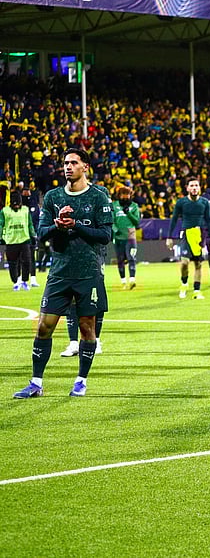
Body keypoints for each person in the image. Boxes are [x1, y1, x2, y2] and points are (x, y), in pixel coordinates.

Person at [14, 148, 113, 399]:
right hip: (59, 272)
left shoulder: (99, 197)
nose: (68, 167)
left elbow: (105, 235)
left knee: (87, 329)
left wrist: (76, 226)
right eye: (65, 163)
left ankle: (81, 381)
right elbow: (41, 232)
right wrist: (57, 225)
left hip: (88, 272)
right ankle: (36, 383)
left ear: (85, 167)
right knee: (44, 327)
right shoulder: (53, 196)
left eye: (73, 163)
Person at [167, 178, 210, 299]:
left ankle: (197, 291)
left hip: (199, 235)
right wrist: (169, 237)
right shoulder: (181, 202)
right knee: (184, 262)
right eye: (192, 186)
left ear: (200, 188)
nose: (194, 188)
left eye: (196, 185)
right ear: (187, 188)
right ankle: (184, 283)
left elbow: (209, 220)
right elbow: (173, 219)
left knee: (198, 264)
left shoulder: (204, 203)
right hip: (186, 234)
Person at [2, 190, 34, 290]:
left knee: (27, 262)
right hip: (11, 241)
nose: (16, 206)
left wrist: (33, 235)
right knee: (12, 263)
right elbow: (0, 224)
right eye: (14, 204)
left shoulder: (25, 210)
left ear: (20, 203)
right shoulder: (5, 211)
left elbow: (29, 224)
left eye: (18, 204)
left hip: (24, 239)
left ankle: (24, 281)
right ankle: (16, 282)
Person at [111, 185, 140, 289]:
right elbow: (111, 220)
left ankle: (132, 280)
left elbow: (137, 222)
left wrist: (128, 213)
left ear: (130, 195)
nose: (125, 197)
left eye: (127, 194)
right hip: (118, 237)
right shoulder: (114, 206)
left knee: (131, 257)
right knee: (120, 259)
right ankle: (123, 281)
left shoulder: (134, 206)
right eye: (123, 194)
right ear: (119, 195)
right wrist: (115, 230)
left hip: (130, 236)